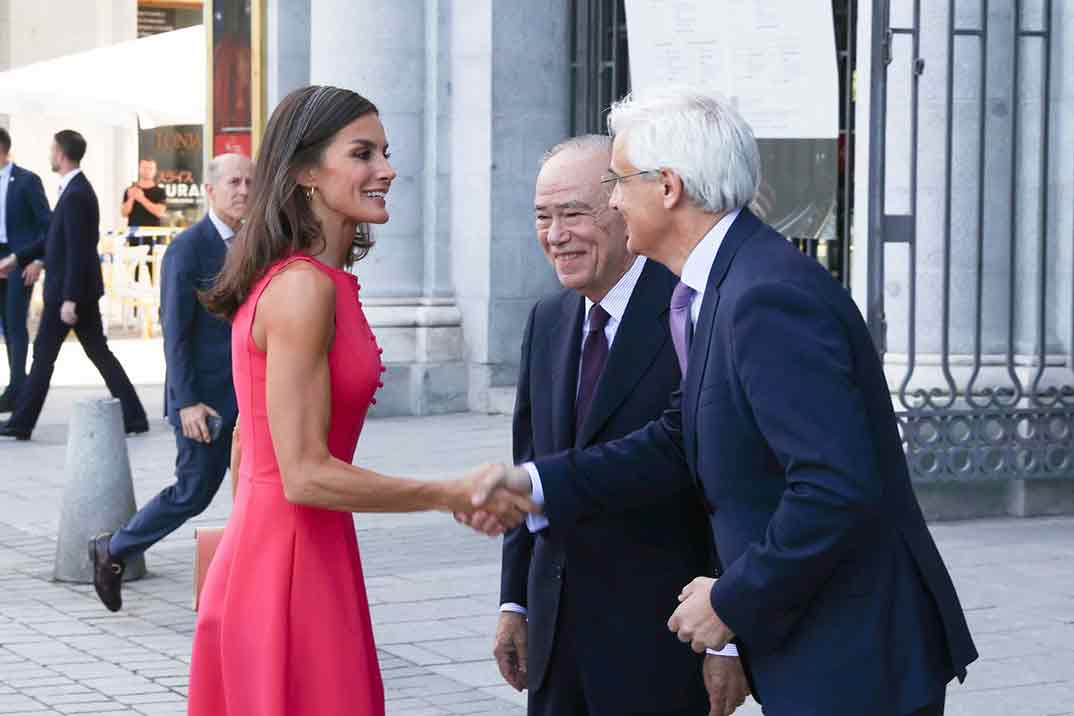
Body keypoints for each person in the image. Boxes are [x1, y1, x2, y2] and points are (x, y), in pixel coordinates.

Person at [475, 89, 978, 715]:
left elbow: (834, 487)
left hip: (854, 650)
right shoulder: (723, 284)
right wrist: (535, 482)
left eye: (618, 182)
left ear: (668, 187)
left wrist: (730, 599)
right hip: (820, 643)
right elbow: (673, 438)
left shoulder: (764, 296)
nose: (611, 200)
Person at [186, 85, 532, 716]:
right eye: (363, 153)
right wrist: (445, 492)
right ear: (305, 173)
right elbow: (304, 474)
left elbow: (248, 444)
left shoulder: (303, 281)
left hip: (287, 553)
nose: (387, 169)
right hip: (293, 560)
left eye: (385, 152)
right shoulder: (302, 290)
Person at [494, 135, 746, 715]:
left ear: (623, 208)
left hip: (661, 640)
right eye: (542, 216)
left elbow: (726, 480)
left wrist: (729, 639)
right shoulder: (548, 318)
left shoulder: (691, 308)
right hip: (556, 639)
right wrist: (517, 603)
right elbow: (529, 470)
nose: (555, 235)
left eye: (573, 214)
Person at [89, 153, 253, 613]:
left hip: (250, 399)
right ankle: (115, 549)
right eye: (234, 182)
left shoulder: (256, 244)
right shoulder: (189, 248)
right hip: (205, 404)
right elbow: (175, 332)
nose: (243, 191)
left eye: (251, 182)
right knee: (194, 491)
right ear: (211, 190)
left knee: (260, 491)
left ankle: (251, 581)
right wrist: (187, 403)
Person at [0, 130, 148, 440]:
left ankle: (21, 423)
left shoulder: (78, 194)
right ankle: (134, 416)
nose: (50, 155)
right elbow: (53, 238)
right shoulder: (72, 190)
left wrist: (69, 299)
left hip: (68, 293)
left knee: (45, 356)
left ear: (61, 154)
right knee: (95, 353)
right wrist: (18, 258)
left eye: (52, 149)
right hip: (72, 290)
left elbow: (80, 250)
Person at [0, 127, 51, 413]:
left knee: (15, 323)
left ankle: (18, 388)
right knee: (5, 326)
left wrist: (38, 260)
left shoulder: (27, 181)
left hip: (20, 258)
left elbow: (47, 224)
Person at [121, 159, 168, 236]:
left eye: (150, 168)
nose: (147, 171)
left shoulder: (160, 191)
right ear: (139, 169)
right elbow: (124, 213)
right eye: (144, 168)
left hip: (153, 235)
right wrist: (131, 198)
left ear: (155, 171)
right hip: (134, 235)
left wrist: (142, 199)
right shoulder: (130, 190)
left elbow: (160, 212)